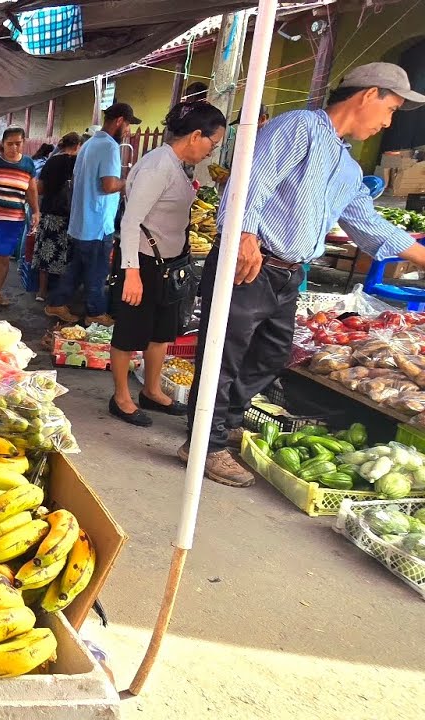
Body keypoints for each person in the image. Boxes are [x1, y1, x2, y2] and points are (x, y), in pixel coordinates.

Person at [183, 62, 425, 486]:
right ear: (369, 95)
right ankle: (205, 443)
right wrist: (244, 234)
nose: (388, 123)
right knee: (224, 355)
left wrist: (420, 256)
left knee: (274, 355)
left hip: (288, 273)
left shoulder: (348, 168)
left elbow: (368, 224)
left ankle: (224, 422)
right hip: (252, 261)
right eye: (390, 110)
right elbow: (251, 180)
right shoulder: (300, 127)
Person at [108, 102, 227, 427]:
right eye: (211, 144)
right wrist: (130, 273)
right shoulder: (158, 166)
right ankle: (121, 397)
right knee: (130, 332)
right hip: (143, 264)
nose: (211, 152)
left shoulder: (175, 166)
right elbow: (131, 222)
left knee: (161, 333)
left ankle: (151, 390)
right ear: (196, 136)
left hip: (167, 264)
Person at [45, 102, 141, 326]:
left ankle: (57, 303)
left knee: (77, 268)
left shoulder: (88, 144)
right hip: (98, 223)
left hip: (81, 222)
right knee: (97, 273)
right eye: (128, 125)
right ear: (119, 121)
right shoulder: (108, 147)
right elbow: (108, 185)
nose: (128, 131)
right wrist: (128, 182)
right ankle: (95, 313)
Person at [0, 127, 40, 311]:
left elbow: (31, 190)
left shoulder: (28, 164)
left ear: (23, 143)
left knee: (4, 257)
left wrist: (36, 211)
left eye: (18, 143)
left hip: (13, 220)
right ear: (2, 144)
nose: (13, 147)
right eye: (9, 143)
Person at [31, 133, 82, 302]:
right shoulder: (79, 163)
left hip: (50, 211)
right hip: (70, 215)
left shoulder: (52, 161)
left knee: (46, 252)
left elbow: (39, 188)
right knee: (66, 254)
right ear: (78, 146)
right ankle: (60, 294)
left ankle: (42, 291)